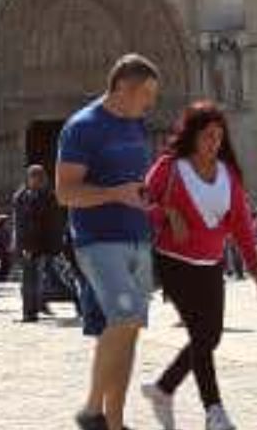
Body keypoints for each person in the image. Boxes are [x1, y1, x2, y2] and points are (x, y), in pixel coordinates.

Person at [142, 99, 257, 430]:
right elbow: (141, 203)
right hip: (174, 261)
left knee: (209, 337)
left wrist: (255, 269)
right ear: (192, 136)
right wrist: (166, 213)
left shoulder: (228, 173)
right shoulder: (169, 167)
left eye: (218, 136)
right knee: (202, 335)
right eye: (207, 136)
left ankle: (163, 388)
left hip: (211, 264)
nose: (214, 143)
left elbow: (241, 223)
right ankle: (215, 412)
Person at [61, 54, 167, 430]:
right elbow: (65, 193)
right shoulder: (82, 127)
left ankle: (116, 423)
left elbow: (136, 180)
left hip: (137, 236)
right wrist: (114, 194)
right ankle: (91, 410)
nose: (150, 103)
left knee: (131, 328)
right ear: (123, 86)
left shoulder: (136, 125)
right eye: (147, 94)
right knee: (123, 317)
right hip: (98, 239)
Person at [14, 162, 70, 322]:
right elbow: (19, 223)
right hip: (26, 243)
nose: (35, 180)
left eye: (38, 176)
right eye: (32, 176)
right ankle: (31, 310)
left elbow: (47, 223)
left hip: (38, 244)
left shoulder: (47, 196)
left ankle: (31, 313)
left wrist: (50, 245)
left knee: (34, 279)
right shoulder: (22, 195)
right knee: (30, 279)